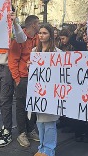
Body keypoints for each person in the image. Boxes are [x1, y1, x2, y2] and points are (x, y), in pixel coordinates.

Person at [0, 11, 27, 147]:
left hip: (6, 66)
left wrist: (15, 22)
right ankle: (5, 126)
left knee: (5, 99)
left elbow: (21, 38)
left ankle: (7, 131)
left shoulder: (14, 27)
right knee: (0, 99)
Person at [9, 15, 40, 148]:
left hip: (34, 77)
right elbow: (12, 60)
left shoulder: (38, 38)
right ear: (33, 25)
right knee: (21, 106)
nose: (39, 26)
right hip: (22, 78)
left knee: (33, 105)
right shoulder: (18, 39)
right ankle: (22, 133)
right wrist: (17, 79)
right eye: (38, 23)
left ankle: (30, 129)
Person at [29, 24, 60, 156]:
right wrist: (29, 66)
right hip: (38, 91)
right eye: (40, 33)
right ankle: (41, 147)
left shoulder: (57, 53)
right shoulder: (34, 51)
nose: (41, 35)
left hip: (51, 92)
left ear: (51, 35)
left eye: (45, 33)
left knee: (50, 122)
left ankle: (49, 150)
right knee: (40, 122)